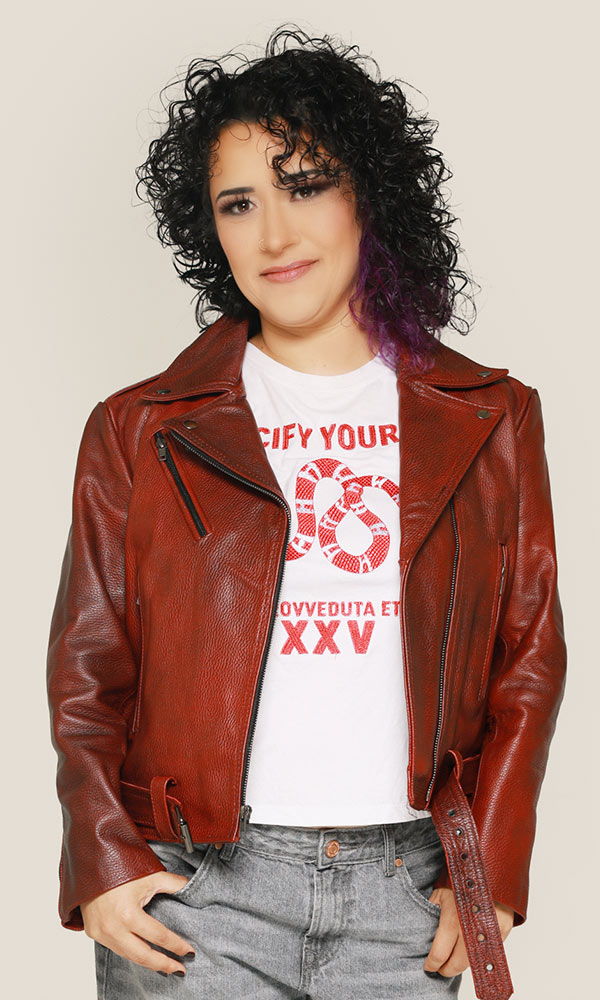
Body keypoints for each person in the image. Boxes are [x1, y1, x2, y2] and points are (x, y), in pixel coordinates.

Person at [46, 23, 567, 1000]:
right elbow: (88, 669)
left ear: (370, 194)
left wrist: (489, 870)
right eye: (238, 203)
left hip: (406, 895)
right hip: (196, 891)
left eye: (306, 185)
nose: (274, 235)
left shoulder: (491, 417)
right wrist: (102, 858)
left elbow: (527, 660)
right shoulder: (140, 427)